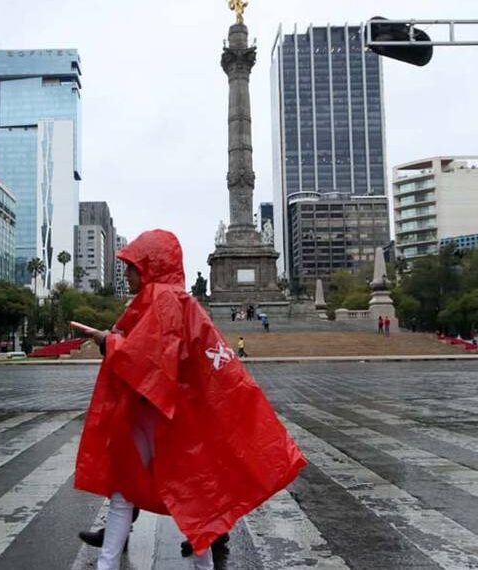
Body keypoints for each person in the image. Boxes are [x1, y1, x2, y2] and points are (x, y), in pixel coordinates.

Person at [73, 230, 305, 570]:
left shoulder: (164, 299)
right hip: (168, 412)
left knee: (166, 494)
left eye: (133, 266)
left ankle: (114, 565)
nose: (127, 274)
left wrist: (107, 341)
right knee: (177, 495)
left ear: (151, 265)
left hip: (161, 414)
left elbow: (152, 358)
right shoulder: (174, 300)